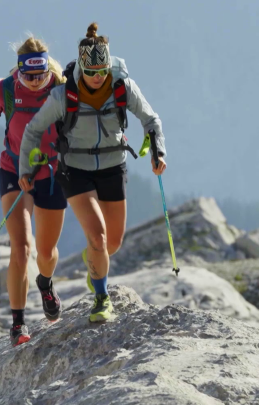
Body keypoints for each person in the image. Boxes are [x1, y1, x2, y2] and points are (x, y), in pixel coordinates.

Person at [18, 23, 167, 323]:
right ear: (82, 69)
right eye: (91, 72)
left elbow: (151, 120)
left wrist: (158, 151)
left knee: (112, 244)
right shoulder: (64, 96)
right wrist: (25, 169)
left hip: (113, 167)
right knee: (98, 237)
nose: (98, 78)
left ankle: (94, 261)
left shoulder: (123, 87)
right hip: (75, 170)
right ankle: (102, 299)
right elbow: (33, 131)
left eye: (102, 71)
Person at [0, 36, 67, 346]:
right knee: (22, 247)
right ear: (19, 71)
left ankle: (45, 282)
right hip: (13, 170)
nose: (37, 82)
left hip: (51, 173)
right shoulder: (5, 90)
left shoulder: (61, 89)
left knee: (47, 254)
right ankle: (18, 323)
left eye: (41, 76)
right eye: (30, 76)